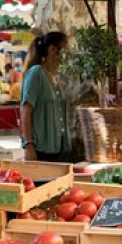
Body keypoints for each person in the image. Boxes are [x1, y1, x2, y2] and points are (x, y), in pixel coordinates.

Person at [20, 32, 73, 162]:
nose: (68, 54)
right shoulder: (36, 73)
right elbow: (26, 110)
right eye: (65, 49)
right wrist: (29, 145)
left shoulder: (57, 77)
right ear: (52, 50)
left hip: (60, 150)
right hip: (41, 150)